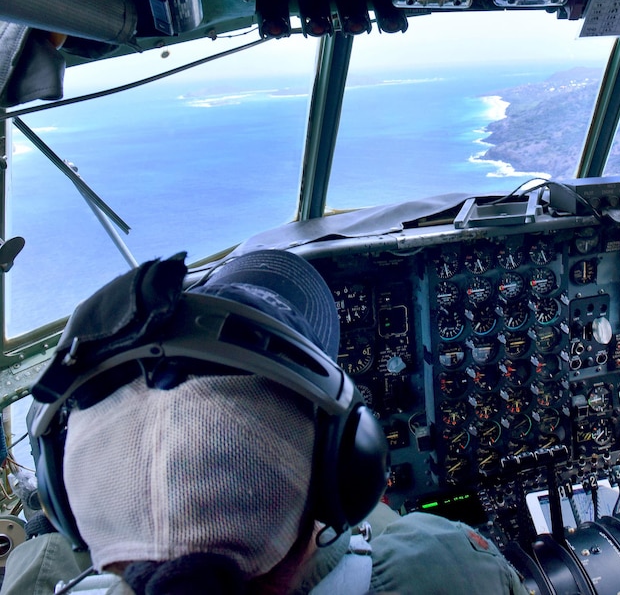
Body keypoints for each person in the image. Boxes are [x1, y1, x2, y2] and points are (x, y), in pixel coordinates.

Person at [0, 249, 529, 595]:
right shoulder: (445, 568)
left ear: (65, 500)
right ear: (347, 477)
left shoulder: (39, 576)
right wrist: (375, 519)